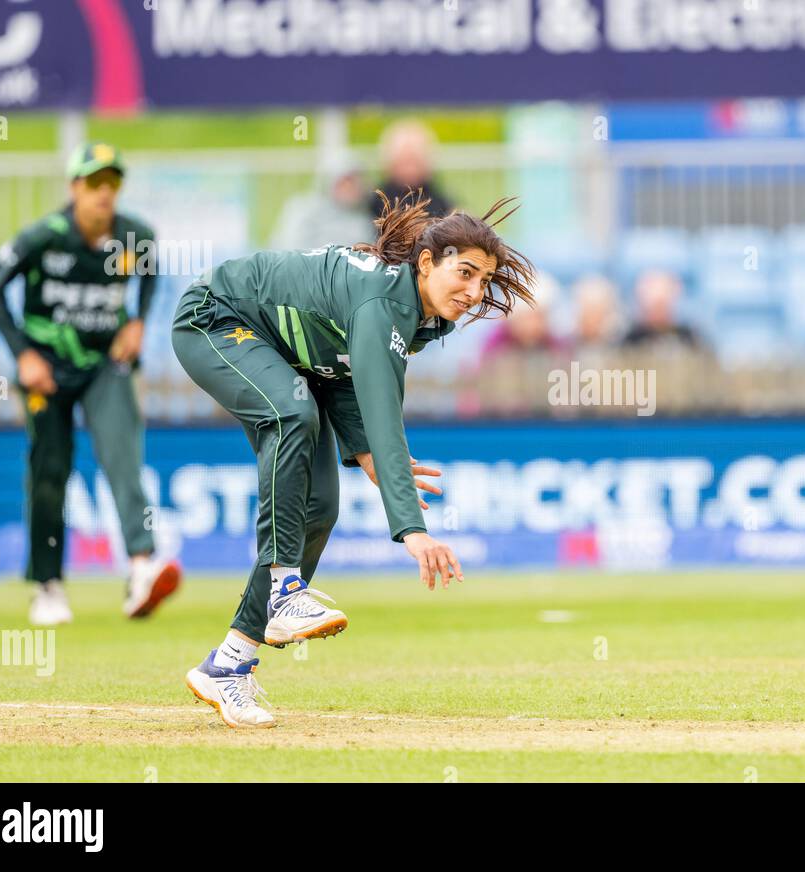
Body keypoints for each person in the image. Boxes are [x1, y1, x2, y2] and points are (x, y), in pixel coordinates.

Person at [171, 192, 535, 728]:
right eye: (466, 273)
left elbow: (340, 375)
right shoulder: (382, 302)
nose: (475, 292)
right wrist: (411, 529)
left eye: (484, 280)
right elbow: (383, 410)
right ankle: (283, 588)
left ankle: (229, 665)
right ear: (427, 263)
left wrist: (365, 454)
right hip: (214, 317)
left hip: (292, 360)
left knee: (318, 508)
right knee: (292, 415)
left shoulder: (418, 316)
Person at [0, 142, 181, 626]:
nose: (104, 194)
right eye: (94, 184)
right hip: (45, 371)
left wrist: (137, 321)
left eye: (111, 184)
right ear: (74, 188)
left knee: (123, 459)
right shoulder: (44, 237)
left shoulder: (135, 236)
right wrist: (24, 354)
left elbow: (150, 275)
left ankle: (140, 569)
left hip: (104, 363)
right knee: (50, 471)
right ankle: (47, 585)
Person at [269, 151, 377, 252]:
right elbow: (289, 250)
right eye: (346, 181)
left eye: (356, 180)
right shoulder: (302, 209)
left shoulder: (363, 218)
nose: (352, 187)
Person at [366, 120, 454, 221]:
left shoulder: (439, 199)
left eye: (415, 162)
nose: (410, 169)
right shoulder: (377, 201)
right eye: (405, 161)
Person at [620, 269, 704, 351]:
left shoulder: (687, 336)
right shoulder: (632, 339)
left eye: (662, 305)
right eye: (653, 306)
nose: (657, 312)